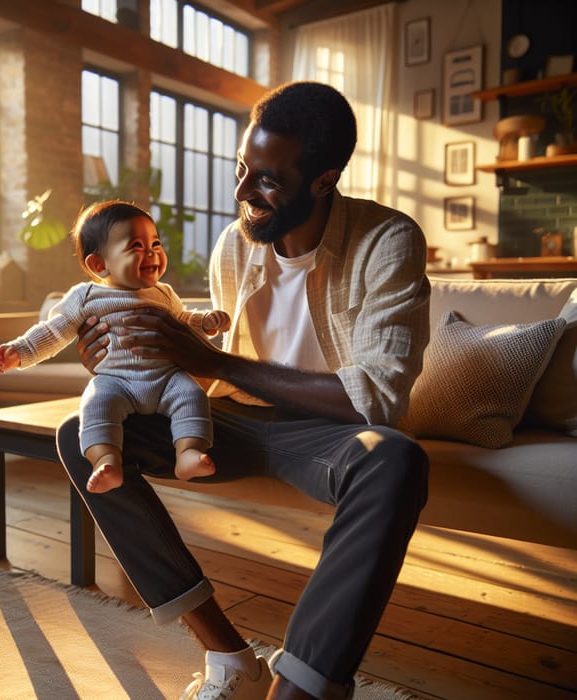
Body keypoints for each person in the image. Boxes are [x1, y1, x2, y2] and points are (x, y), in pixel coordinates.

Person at [57, 81, 431, 699]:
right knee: (81, 434)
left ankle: (303, 688)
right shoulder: (237, 245)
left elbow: (378, 399)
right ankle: (229, 656)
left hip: (327, 437)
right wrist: (120, 361)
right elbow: (203, 372)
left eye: (266, 180)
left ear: (322, 180)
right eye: (241, 169)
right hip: (234, 422)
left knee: (396, 460)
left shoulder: (388, 241)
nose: (241, 194)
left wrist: (215, 363)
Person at [0, 200, 230, 493]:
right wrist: (21, 351)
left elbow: (182, 321)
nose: (152, 253)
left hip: (167, 378)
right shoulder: (86, 297)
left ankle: (188, 453)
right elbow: (55, 331)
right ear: (99, 264)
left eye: (155, 243)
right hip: (115, 381)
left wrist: (206, 321)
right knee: (95, 404)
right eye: (136, 246)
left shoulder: (163, 293)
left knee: (191, 394)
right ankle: (106, 460)